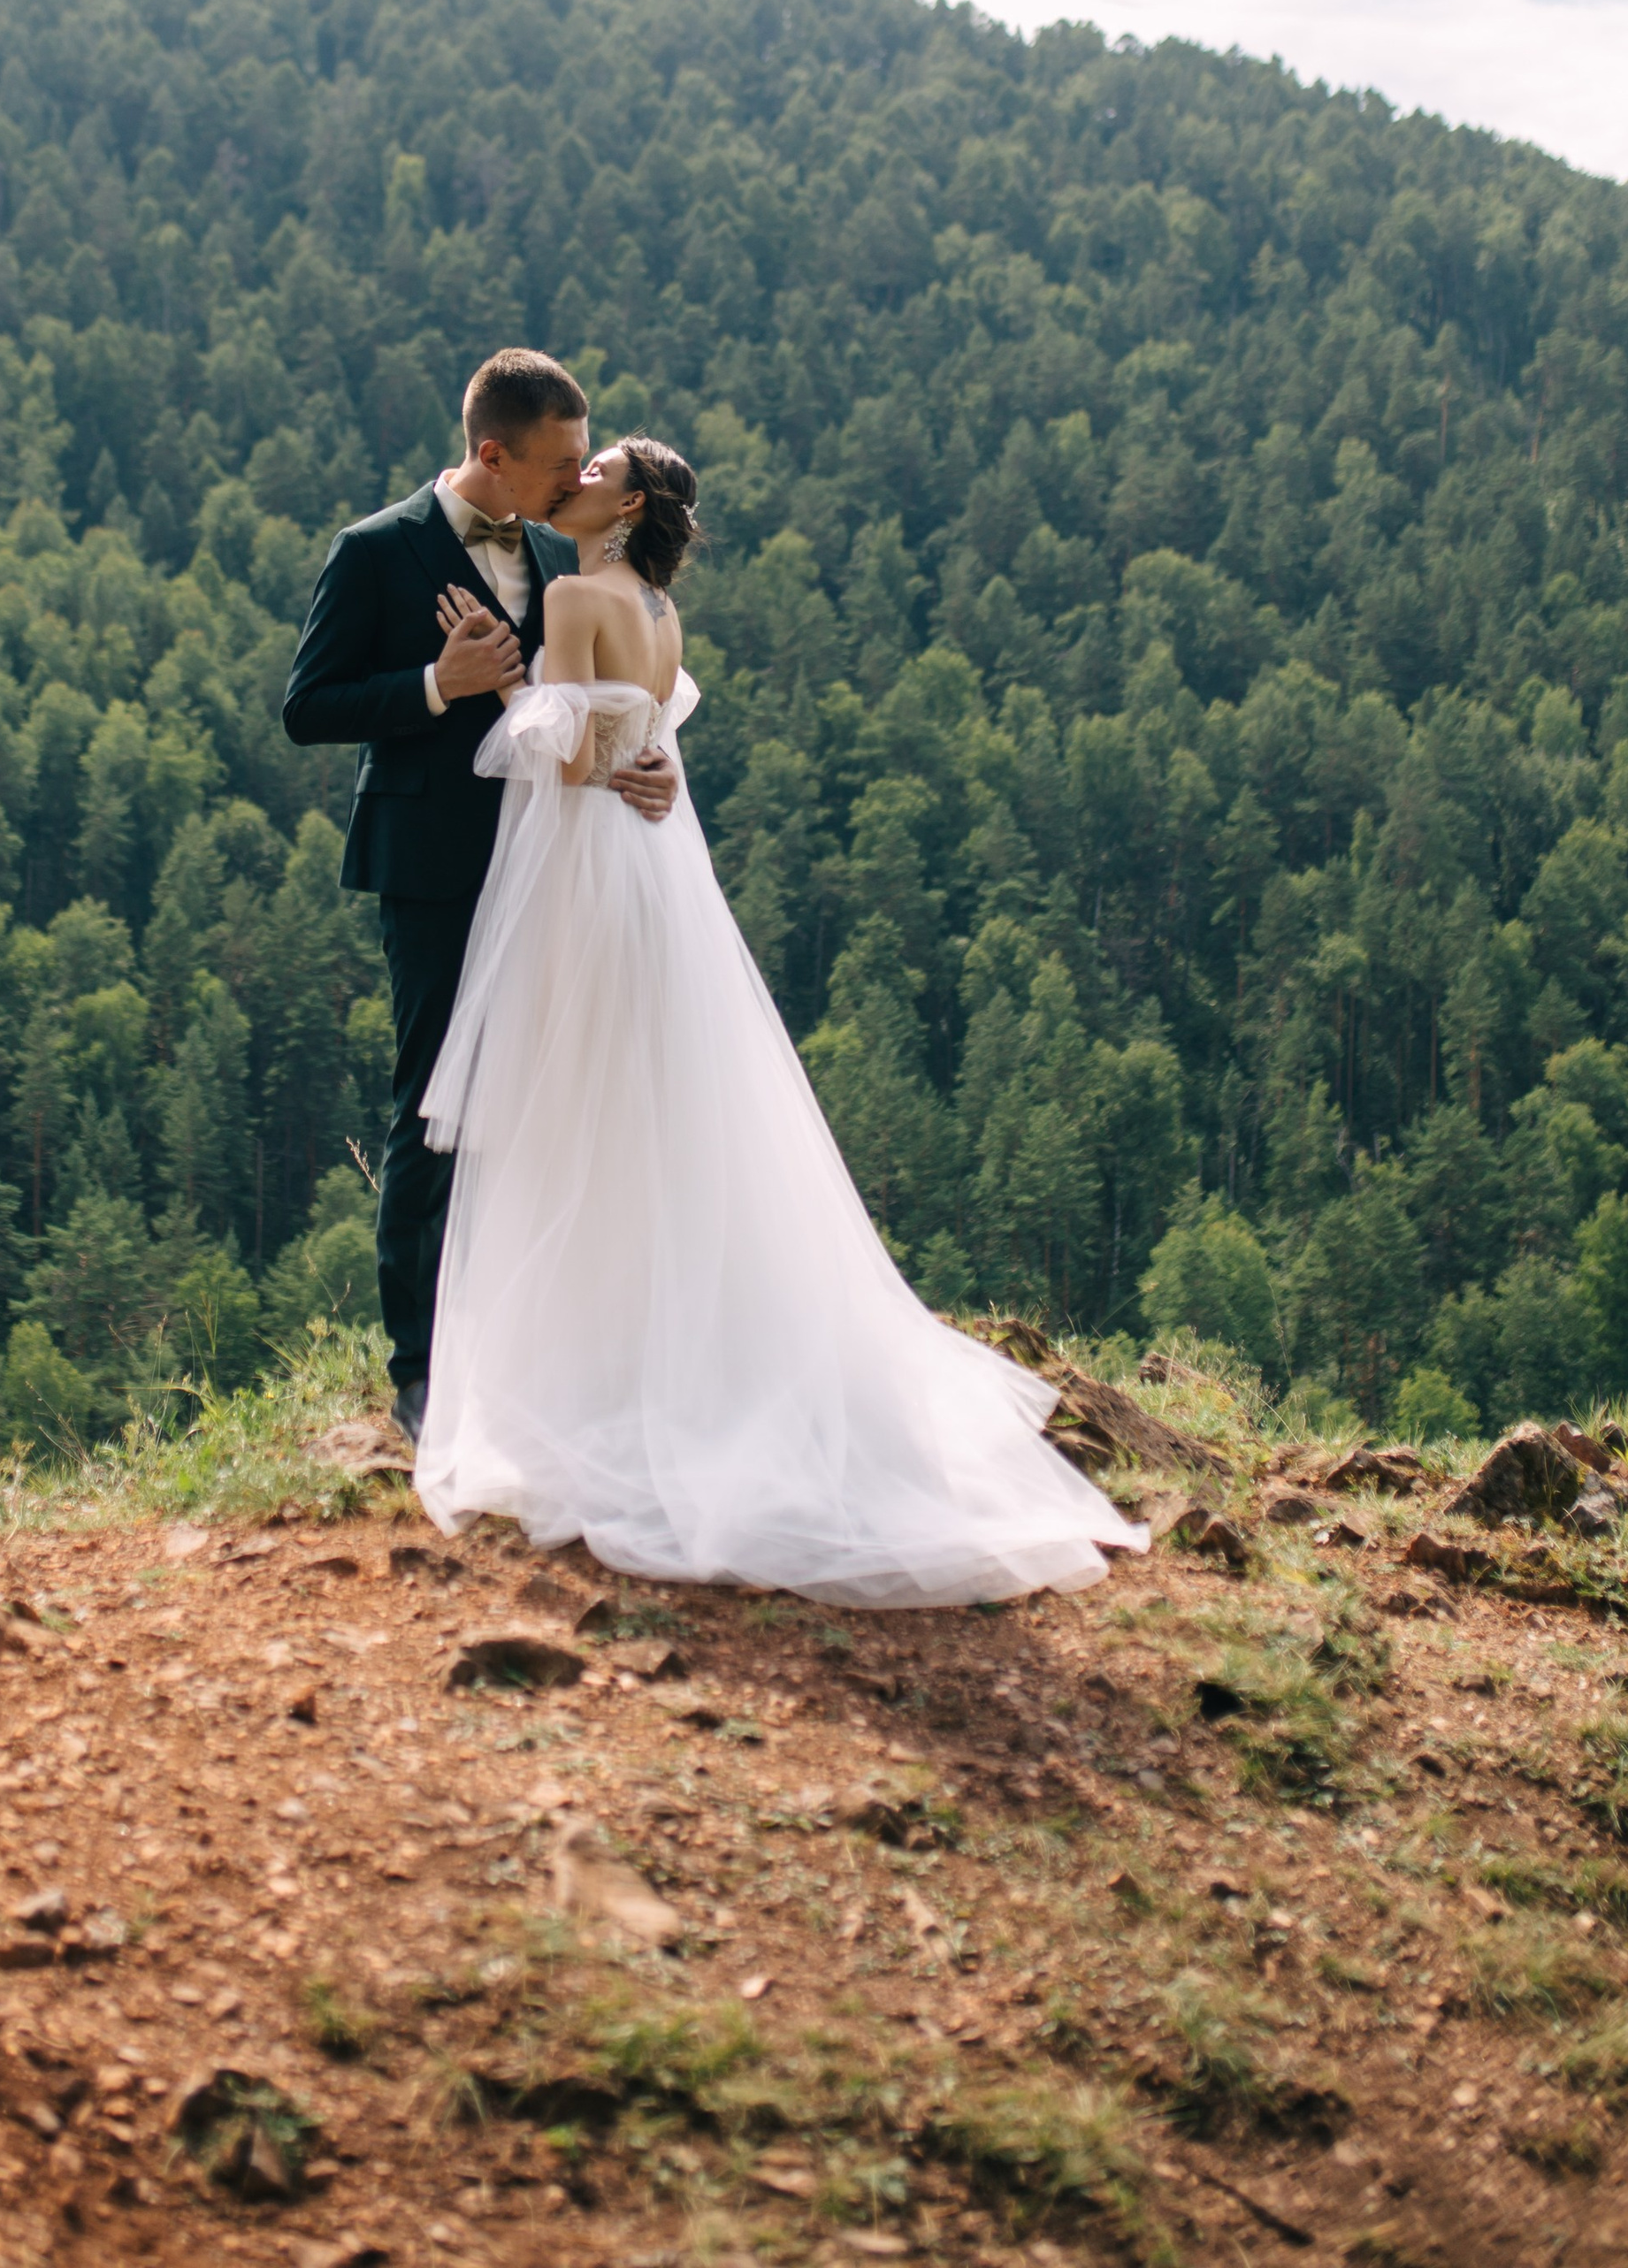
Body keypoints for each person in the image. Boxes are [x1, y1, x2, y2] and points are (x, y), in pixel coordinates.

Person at [412, 431, 1145, 1607]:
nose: (578, 477)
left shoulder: (576, 594)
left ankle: (590, 1382)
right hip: (654, 871)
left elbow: (563, 757)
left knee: (582, 1109)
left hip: (589, 874)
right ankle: (655, 1361)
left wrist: (492, 674)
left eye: (597, 471)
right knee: (658, 1106)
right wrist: (607, 748)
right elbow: (638, 746)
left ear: (632, 498)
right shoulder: (654, 605)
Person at [281, 350, 677, 1445]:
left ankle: (537, 1352)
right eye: (553, 464)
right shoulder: (373, 552)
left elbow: (612, 698)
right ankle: (420, 1375)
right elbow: (305, 707)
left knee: (554, 1101)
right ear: (491, 454)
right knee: (438, 1107)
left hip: (560, 859)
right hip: (439, 870)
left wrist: (653, 762)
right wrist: (431, 686)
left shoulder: (561, 552)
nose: (566, 483)